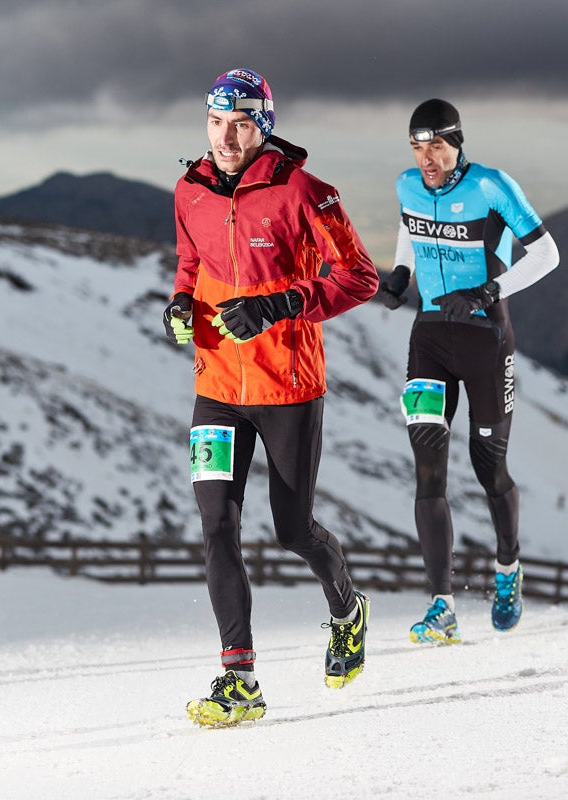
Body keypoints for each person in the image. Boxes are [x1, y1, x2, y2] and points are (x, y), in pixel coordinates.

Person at [163, 68, 379, 726]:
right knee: (216, 528)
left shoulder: (306, 193)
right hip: (217, 387)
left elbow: (360, 277)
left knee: (292, 530)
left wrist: (284, 304)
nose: (227, 137)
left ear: (265, 126)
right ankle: (240, 680)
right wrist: (178, 301)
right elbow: (190, 261)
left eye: (243, 124)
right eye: (217, 122)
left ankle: (347, 608)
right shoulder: (189, 190)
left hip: (287, 386)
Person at [374, 98, 560, 643]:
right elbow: (410, 229)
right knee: (428, 470)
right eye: (417, 145)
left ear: (457, 142)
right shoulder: (407, 184)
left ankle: (508, 568)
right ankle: (441, 606)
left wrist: (487, 292)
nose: (426, 157)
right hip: (429, 337)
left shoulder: (491, 186)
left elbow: (547, 254)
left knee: (488, 469)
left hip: (486, 339)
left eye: (436, 145)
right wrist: (402, 274)